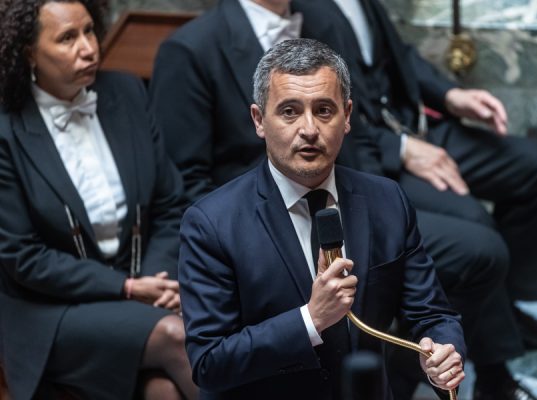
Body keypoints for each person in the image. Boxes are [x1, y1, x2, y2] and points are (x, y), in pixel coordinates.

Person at [292, 0, 537, 398]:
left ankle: (512, 315)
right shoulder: (301, 10)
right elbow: (324, 111)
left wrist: (452, 95)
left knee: (535, 164)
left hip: (416, 124)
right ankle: (493, 369)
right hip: (374, 154)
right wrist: (402, 148)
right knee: (473, 222)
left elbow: (399, 54)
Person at [178, 38, 466, 400]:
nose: (309, 129)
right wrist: (310, 320)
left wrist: (443, 352)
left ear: (347, 116)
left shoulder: (386, 200)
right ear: (259, 120)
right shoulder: (211, 223)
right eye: (289, 111)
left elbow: (433, 314)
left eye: (324, 110)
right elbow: (209, 363)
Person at [0, 1, 198, 399]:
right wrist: (126, 287)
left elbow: (169, 205)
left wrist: (155, 284)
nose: (88, 48)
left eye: (89, 30)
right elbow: (23, 256)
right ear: (28, 52)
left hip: (143, 292)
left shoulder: (126, 92)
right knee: (178, 336)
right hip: (50, 311)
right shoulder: (7, 129)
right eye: (67, 38)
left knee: (163, 391)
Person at [149, 0, 361, 202]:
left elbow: (358, 137)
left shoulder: (327, 21)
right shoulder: (189, 49)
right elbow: (185, 180)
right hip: (243, 217)